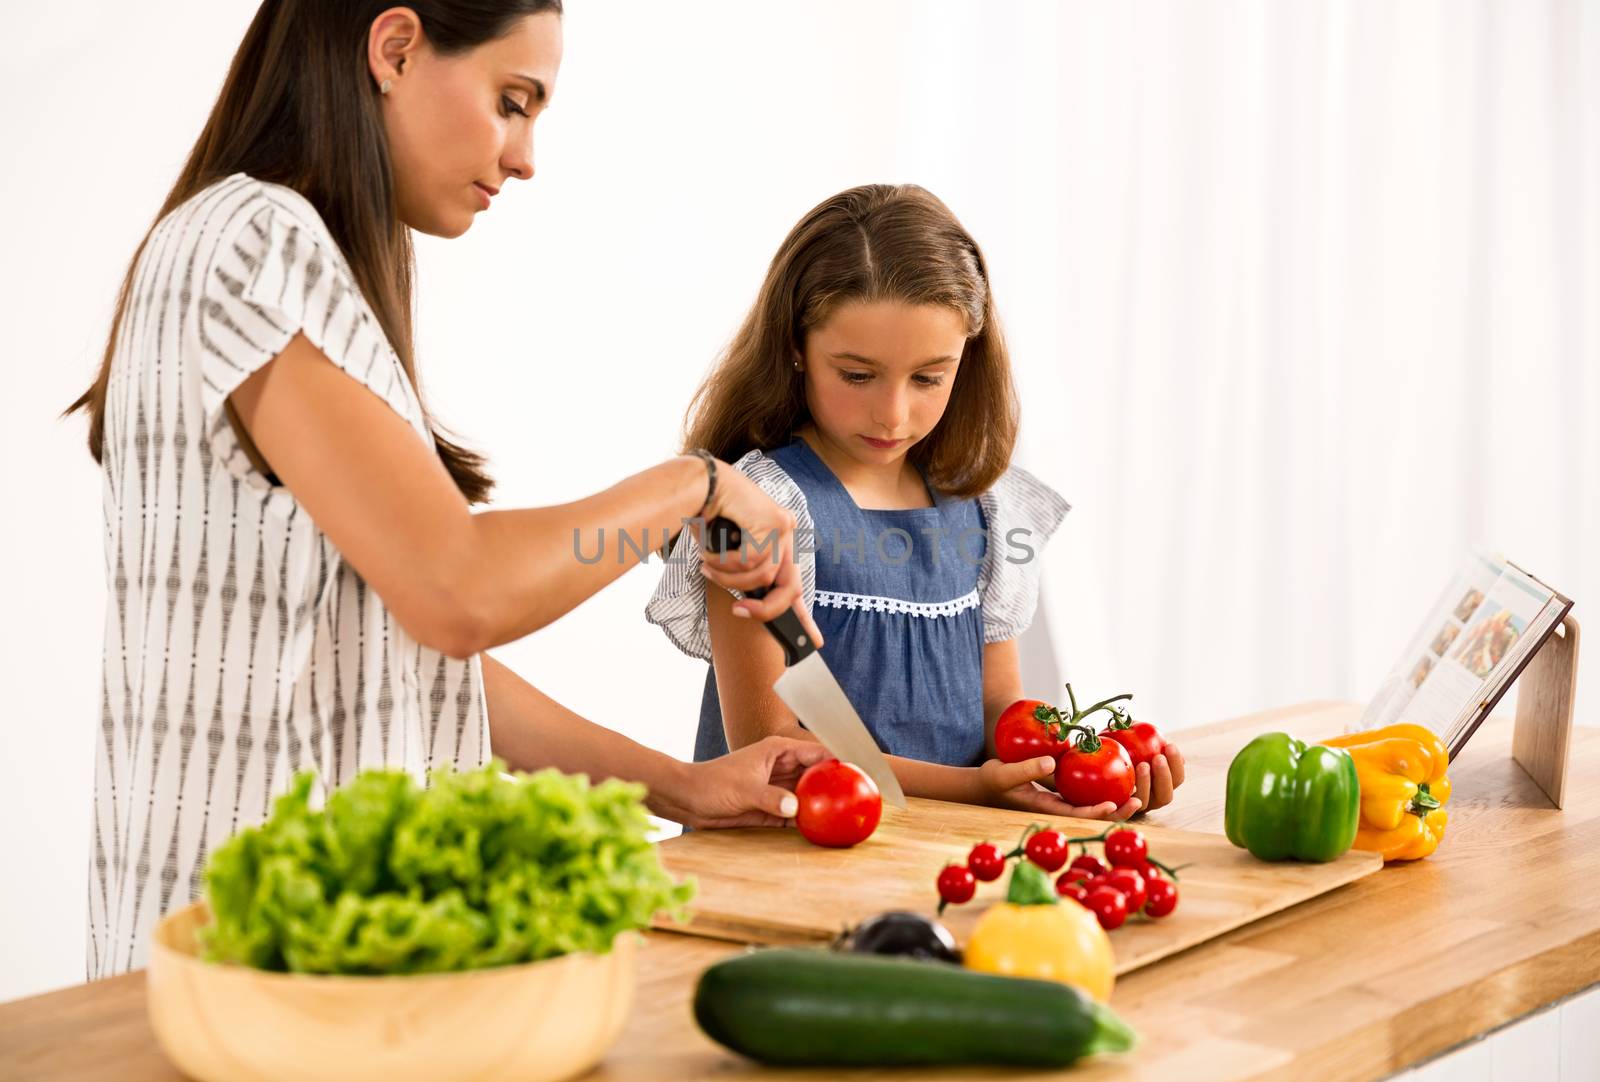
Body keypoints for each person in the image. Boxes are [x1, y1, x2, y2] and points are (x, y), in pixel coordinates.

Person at [65, 0, 826, 977]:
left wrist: (678, 784)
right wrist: (696, 485)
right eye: (513, 101)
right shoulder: (259, 241)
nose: (524, 156)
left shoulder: (266, 249)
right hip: (260, 955)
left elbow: (395, 640)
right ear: (394, 47)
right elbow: (459, 591)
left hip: (271, 946)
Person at [647, 184, 1186, 818]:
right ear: (794, 346)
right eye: (856, 374)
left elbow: (997, 708)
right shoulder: (759, 506)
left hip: (938, 858)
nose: (894, 413)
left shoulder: (987, 507)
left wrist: (1067, 763)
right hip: (785, 860)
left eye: (929, 377)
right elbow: (774, 746)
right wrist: (977, 789)